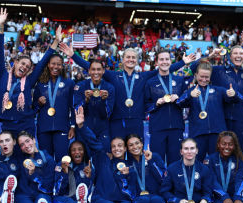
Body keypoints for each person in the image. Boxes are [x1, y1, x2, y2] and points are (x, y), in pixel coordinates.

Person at [60, 43, 196, 140]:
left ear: (137, 61)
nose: (131, 59)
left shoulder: (143, 76)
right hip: (117, 122)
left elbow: (163, 68)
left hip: (136, 121)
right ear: (122, 59)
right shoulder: (113, 76)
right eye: (128, 57)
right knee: (117, 155)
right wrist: (73, 56)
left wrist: (182, 62)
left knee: (134, 156)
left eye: (133, 57)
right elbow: (92, 67)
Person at [75, 106, 136, 203]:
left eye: (120, 146)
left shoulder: (130, 165)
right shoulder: (103, 158)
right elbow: (92, 141)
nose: (116, 149)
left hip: (121, 200)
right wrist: (81, 126)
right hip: (101, 198)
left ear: (125, 149)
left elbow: (134, 189)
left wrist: (130, 176)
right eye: (114, 146)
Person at [0, 8, 61, 138]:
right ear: (16, 62)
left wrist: (56, 42)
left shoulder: (29, 81)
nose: (25, 67)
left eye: (28, 67)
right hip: (7, 125)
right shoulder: (2, 73)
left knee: (27, 158)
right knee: (10, 156)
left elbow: (42, 64)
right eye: (23, 64)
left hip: (26, 124)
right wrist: (0, 26)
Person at [178, 60, 242, 162]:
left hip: (217, 133)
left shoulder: (218, 90)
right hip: (198, 133)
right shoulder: (191, 91)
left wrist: (234, 94)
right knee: (197, 164)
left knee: (217, 163)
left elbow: (237, 99)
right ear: (196, 75)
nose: (204, 79)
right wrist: (190, 96)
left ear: (210, 76)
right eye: (201, 76)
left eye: (207, 77)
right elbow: (179, 103)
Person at [190, 47, 243, 152]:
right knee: (222, 154)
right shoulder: (219, 70)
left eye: (241, 53)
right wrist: (210, 56)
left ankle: (239, 169)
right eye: (235, 53)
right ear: (230, 56)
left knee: (239, 152)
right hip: (221, 120)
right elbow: (194, 67)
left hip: (240, 119)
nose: (238, 56)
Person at [144, 51, 188, 165]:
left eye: (167, 59)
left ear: (171, 61)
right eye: (161, 59)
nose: (164, 62)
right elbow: (145, 107)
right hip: (157, 128)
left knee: (176, 163)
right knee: (157, 163)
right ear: (157, 62)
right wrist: (156, 104)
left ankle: (174, 183)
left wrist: (179, 99)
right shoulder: (150, 82)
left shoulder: (179, 80)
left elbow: (187, 102)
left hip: (176, 127)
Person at [34, 54, 76, 163]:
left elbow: (73, 106)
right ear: (48, 65)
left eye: (59, 64)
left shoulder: (69, 83)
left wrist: (72, 126)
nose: (55, 66)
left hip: (62, 127)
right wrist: (38, 103)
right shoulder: (40, 84)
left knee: (62, 160)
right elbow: (33, 107)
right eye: (53, 63)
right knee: (45, 160)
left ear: (62, 66)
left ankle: (61, 180)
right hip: (44, 127)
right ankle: (48, 180)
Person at [73, 60, 115, 152]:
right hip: (83, 129)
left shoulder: (109, 88)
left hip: (102, 130)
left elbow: (107, 114)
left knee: (102, 159)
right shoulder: (80, 86)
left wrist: (103, 101)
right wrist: (86, 101)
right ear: (89, 71)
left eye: (99, 69)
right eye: (93, 69)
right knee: (83, 161)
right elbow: (77, 111)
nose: (96, 72)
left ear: (103, 71)